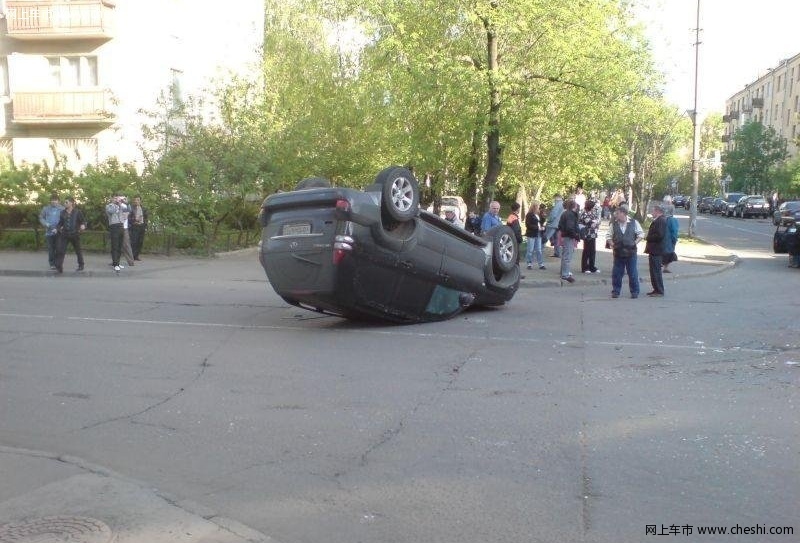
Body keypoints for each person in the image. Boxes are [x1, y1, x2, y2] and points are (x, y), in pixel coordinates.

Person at [605, 204, 644, 299]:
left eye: (617, 214)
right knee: (617, 273)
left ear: (623, 214)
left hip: (631, 252)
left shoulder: (634, 223)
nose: (616, 216)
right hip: (618, 252)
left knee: (632, 272)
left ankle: (635, 291)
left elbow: (641, 234)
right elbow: (608, 236)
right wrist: (612, 244)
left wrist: (634, 243)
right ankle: (616, 291)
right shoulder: (614, 224)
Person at [54, 196, 86, 273]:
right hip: (65, 234)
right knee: (61, 250)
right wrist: (57, 228)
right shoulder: (62, 212)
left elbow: (83, 221)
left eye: (66, 202)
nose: (65, 204)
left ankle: (81, 265)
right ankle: (59, 266)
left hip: (75, 234)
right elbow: (60, 223)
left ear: (71, 203)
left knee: (78, 250)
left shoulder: (78, 212)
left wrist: (83, 225)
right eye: (64, 202)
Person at [644, 204, 667, 297]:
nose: (652, 213)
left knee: (656, 271)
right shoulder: (659, 220)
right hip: (654, 249)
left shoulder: (661, 220)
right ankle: (656, 289)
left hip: (656, 249)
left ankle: (659, 290)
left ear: (658, 211)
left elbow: (660, 235)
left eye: (653, 211)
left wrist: (648, 237)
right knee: (653, 270)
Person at [556, 198, 580, 283]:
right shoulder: (570, 215)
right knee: (567, 256)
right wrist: (576, 235)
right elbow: (570, 227)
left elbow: (560, 225)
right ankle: (565, 274)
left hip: (565, 235)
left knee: (565, 255)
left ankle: (563, 272)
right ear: (574, 206)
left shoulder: (565, 213)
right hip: (569, 236)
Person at [39, 193, 64, 269]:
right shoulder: (45, 208)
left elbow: (65, 219)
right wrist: (46, 224)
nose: (54, 202)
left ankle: (57, 263)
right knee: (51, 249)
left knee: (58, 248)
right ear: (50, 201)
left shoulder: (62, 209)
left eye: (55, 200)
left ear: (58, 201)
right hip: (49, 232)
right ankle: (52, 263)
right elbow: (41, 217)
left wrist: (60, 227)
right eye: (52, 200)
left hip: (59, 231)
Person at [579, 199, 601, 274]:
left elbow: (598, 221)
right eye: (593, 206)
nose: (594, 208)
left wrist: (596, 223)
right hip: (587, 234)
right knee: (586, 250)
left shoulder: (592, 213)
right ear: (590, 207)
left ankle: (592, 266)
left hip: (593, 234)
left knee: (592, 251)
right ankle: (585, 267)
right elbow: (589, 223)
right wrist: (595, 222)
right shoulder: (584, 213)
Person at [105, 194, 126, 271]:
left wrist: (123, 202)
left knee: (120, 246)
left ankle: (118, 262)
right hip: (114, 226)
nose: (117, 199)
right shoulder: (109, 206)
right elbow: (112, 211)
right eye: (115, 198)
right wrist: (116, 203)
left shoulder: (120, 205)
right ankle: (115, 263)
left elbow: (128, 209)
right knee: (115, 246)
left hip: (121, 226)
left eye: (118, 198)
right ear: (111, 199)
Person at [524, 202, 545, 270]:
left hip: (538, 234)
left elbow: (541, 222)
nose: (538, 208)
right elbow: (528, 225)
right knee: (530, 249)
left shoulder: (538, 214)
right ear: (534, 207)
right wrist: (537, 227)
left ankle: (541, 264)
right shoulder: (529, 215)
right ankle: (529, 263)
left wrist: (543, 225)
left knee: (539, 249)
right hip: (531, 234)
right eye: (537, 207)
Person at [129, 195, 148, 260]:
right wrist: (134, 221)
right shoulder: (131, 208)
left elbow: (146, 218)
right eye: (135, 200)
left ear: (140, 201)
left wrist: (145, 226)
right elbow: (128, 218)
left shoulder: (144, 208)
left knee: (140, 242)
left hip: (141, 227)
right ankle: (132, 256)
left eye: (138, 200)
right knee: (134, 242)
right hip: (135, 226)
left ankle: (136, 256)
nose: (136, 201)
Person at [662, 202, 679, 273]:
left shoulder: (661, 219)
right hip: (669, 240)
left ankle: (661, 266)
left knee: (661, 253)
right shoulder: (672, 220)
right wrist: (675, 239)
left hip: (661, 240)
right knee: (668, 253)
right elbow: (674, 231)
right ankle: (665, 267)